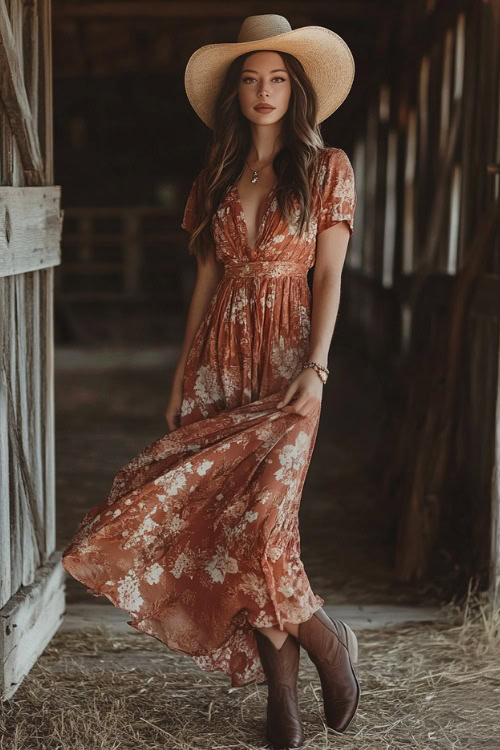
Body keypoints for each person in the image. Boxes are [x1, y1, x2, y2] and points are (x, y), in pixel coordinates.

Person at [62, 13, 360, 750]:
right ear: (237, 94)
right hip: (219, 363)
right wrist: (180, 375)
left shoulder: (328, 170)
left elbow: (328, 275)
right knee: (230, 526)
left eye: (279, 79)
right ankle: (283, 696)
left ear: (298, 91)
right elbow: (206, 281)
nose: (265, 91)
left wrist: (317, 367)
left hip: (292, 362)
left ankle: (326, 642)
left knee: (263, 524)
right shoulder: (218, 177)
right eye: (253, 80)